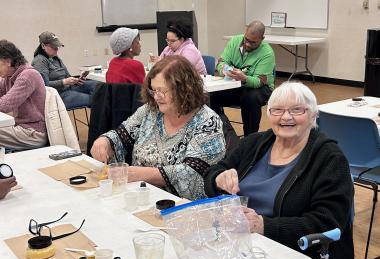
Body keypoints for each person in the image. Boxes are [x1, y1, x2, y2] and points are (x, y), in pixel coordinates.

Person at [204, 82, 354, 259]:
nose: (286, 117)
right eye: (277, 110)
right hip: (241, 247)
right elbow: (213, 174)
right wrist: (218, 178)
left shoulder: (329, 159)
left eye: (297, 110)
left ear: (313, 115)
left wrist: (264, 225)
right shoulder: (254, 143)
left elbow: (327, 222)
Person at [91, 55, 225, 201]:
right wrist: (105, 141)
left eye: (162, 91)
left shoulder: (207, 122)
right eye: (153, 90)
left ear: (185, 90)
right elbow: (120, 135)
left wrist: (137, 174)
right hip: (143, 197)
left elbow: (191, 174)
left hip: (182, 207)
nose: (156, 97)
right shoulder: (150, 111)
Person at [209, 20, 275, 136]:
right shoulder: (235, 41)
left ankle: (249, 138)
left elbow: (258, 82)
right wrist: (225, 70)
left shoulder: (267, 53)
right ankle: (219, 131)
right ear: (245, 33)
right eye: (246, 40)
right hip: (236, 85)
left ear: (262, 39)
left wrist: (244, 78)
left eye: (253, 42)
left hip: (260, 88)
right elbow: (221, 62)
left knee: (250, 98)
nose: (248, 44)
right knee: (210, 96)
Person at [0, 40, 47, 150]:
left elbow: (5, 105)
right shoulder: (9, 76)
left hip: (34, 133)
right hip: (21, 127)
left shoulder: (27, 75)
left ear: (7, 61)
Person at [32, 31, 97, 109]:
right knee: (96, 99)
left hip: (69, 88)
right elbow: (43, 86)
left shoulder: (55, 58)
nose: (56, 49)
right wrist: (64, 82)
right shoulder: (40, 61)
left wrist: (77, 80)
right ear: (43, 46)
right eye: (54, 47)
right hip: (58, 95)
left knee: (98, 86)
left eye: (57, 47)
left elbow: (68, 76)